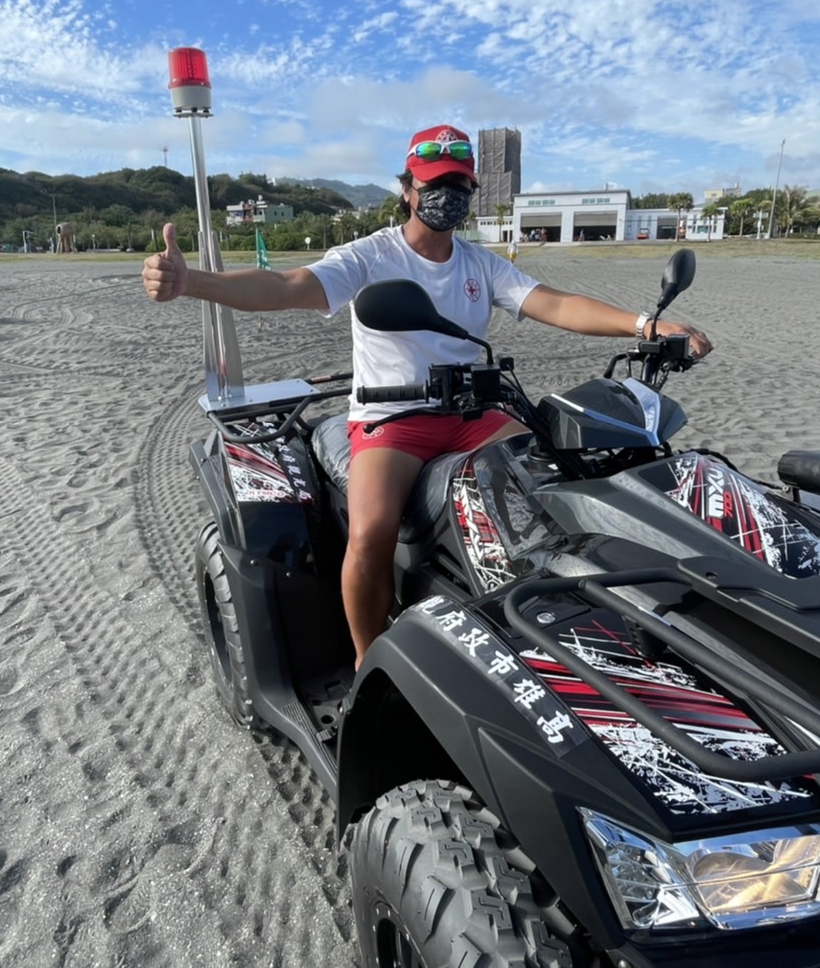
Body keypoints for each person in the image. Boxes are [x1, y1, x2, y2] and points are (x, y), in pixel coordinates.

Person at [143, 123, 712, 668]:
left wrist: (647, 326)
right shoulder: (372, 255)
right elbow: (290, 284)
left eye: (460, 184)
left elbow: (555, 303)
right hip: (394, 417)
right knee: (371, 532)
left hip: (476, 413)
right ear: (408, 188)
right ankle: (370, 658)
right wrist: (193, 282)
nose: (448, 194)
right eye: (435, 182)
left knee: (559, 481)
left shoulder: (478, 263)